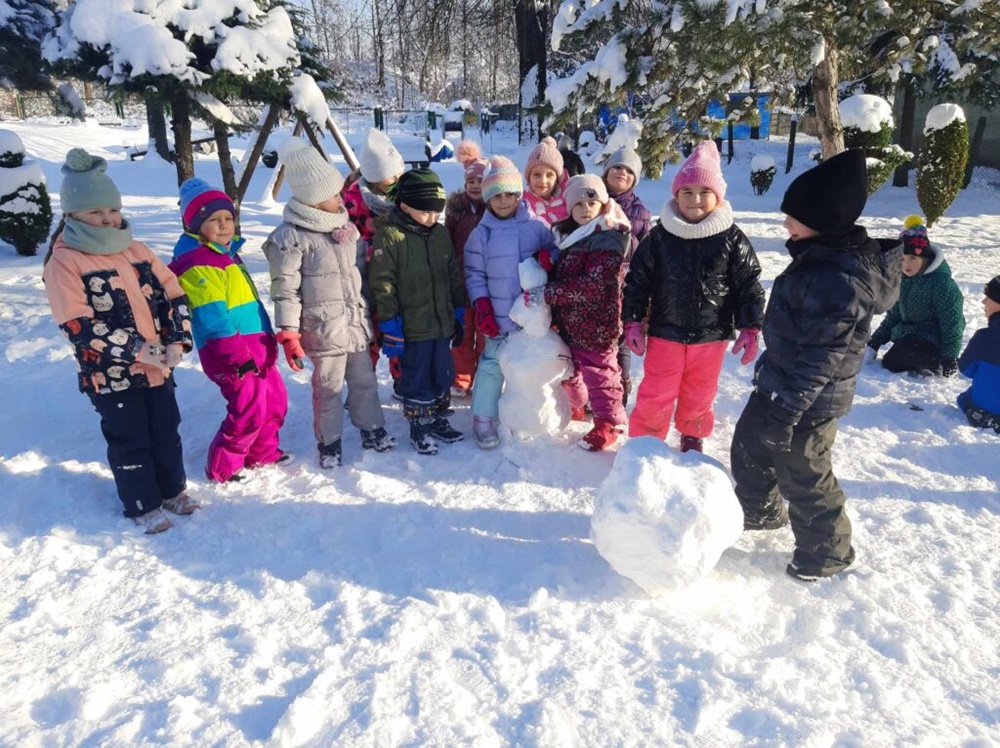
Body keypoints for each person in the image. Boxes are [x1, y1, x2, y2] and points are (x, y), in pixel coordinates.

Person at [729, 149, 902, 582]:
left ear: (823, 222)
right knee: (750, 444)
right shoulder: (819, 258)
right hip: (780, 382)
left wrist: (789, 410)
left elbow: (822, 356)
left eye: (794, 216)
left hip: (811, 398)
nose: (785, 224)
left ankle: (828, 553)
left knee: (804, 470)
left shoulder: (838, 280)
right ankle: (760, 512)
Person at [43, 148, 197, 533]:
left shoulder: (136, 250)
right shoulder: (66, 260)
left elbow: (173, 294)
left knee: (165, 431)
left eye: (111, 210)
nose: (108, 218)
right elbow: (76, 323)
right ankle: (141, 502)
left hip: (159, 368)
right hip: (111, 376)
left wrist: (177, 339)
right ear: (72, 214)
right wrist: (137, 350)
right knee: (131, 439)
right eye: (96, 212)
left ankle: (171, 490)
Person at [622, 141, 764, 453]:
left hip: (710, 335)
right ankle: (646, 439)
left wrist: (750, 326)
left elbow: (748, 283)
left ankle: (693, 432)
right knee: (657, 389)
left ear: (717, 197)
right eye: (687, 192)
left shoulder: (732, 238)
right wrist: (632, 321)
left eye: (704, 193)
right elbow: (637, 281)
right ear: (676, 195)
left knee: (700, 391)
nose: (695, 200)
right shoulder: (660, 237)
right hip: (666, 331)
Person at [263, 139, 396, 469]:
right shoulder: (292, 238)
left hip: (354, 324)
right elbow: (285, 290)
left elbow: (361, 275)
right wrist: (289, 333)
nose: (342, 199)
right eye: (335, 194)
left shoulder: (344, 228)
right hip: (323, 330)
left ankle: (372, 429)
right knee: (328, 389)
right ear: (313, 198)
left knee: (365, 382)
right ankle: (330, 441)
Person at [170, 178, 292, 483]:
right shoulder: (198, 265)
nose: (224, 225)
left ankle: (262, 453)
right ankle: (224, 468)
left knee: (274, 402)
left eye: (228, 218)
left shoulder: (225, 255)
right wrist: (237, 354)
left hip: (255, 348)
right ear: (196, 225)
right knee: (247, 411)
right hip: (232, 354)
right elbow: (213, 321)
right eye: (214, 220)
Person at [525, 174, 630, 451]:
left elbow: (594, 285)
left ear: (603, 205)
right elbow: (567, 270)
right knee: (571, 371)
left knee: (601, 375)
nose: (585, 208)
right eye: (578, 203)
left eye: (591, 201)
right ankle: (578, 405)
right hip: (571, 323)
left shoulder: (607, 239)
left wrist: (548, 293)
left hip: (597, 326)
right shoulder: (571, 237)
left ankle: (608, 422)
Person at [368, 168, 468, 454]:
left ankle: (437, 418)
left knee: (443, 372)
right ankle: (419, 425)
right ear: (405, 205)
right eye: (426, 213)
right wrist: (390, 325)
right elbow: (382, 284)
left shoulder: (438, 233)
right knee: (417, 376)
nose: (433, 218)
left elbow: (452, 274)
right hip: (411, 326)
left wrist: (458, 310)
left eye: (437, 213)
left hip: (441, 322)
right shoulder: (389, 236)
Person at [464, 155, 557, 449]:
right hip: (498, 315)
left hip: (529, 315)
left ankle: (523, 415)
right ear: (488, 198)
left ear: (519, 195)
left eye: (509, 194)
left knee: (526, 366)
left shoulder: (536, 226)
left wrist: (549, 258)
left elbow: (556, 249)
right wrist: (482, 306)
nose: (503, 201)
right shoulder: (480, 235)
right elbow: (474, 274)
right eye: (497, 195)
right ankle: (483, 417)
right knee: (492, 365)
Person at [342, 128, 407, 394]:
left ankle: (402, 380)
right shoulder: (353, 200)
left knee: (399, 332)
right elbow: (346, 239)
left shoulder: (402, 193)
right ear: (374, 176)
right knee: (366, 336)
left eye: (398, 172)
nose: (396, 179)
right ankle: (361, 387)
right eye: (391, 176)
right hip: (364, 280)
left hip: (396, 280)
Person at [865, 216, 965, 376]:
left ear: (924, 257)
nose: (906, 265)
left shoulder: (941, 283)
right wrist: (874, 343)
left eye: (913, 258)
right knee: (892, 360)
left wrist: (950, 357)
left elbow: (952, 321)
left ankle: (934, 364)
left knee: (896, 359)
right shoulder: (903, 279)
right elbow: (895, 314)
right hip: (909, 335)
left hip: (934, 339)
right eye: (902, 259)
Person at [603, 145, 654, 406]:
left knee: (621, 342)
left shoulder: (640, 212)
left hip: (625, 286)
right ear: (606, 170)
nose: (622, 172)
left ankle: (621, 387)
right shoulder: (593, 198)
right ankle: (596, 388)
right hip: (595, 285)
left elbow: (647, 254)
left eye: (628, 170)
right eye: (617, 167)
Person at [445, 156, 489, 399]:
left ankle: (483, 378)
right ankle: (461, 377)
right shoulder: (455, 212)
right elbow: (448, 244)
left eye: (480, 181)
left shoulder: (493, 209)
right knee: (461, 334)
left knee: (484, 336)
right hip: (461, 283)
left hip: (485, 284)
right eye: (471, 180)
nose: (474, 185)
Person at [956, 275, 1000, 433]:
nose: (983, 302)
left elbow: (965, 369)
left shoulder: (984, 337)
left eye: (989, 297)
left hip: (983, 415)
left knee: (965, 398)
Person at [522, 136, 569, 227]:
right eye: (537, 175)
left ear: (557, 179)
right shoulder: (522, 205)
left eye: (549, 175)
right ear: (529, 177)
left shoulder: (567, 202)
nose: (543, 180)